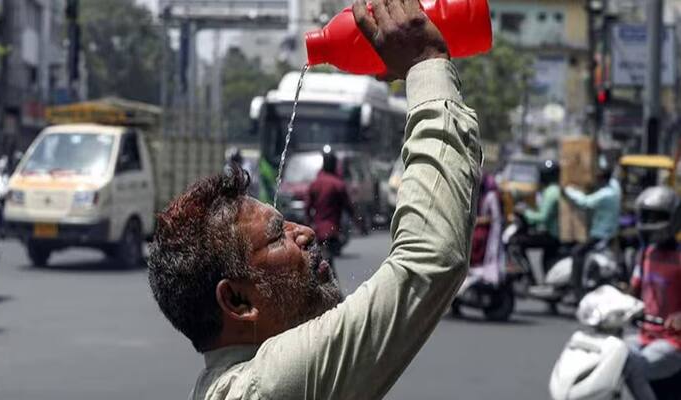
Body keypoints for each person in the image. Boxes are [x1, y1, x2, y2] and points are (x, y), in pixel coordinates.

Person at [146, 1, 482, 398]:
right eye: (277, 237)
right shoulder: (269, 385)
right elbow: (430, 258)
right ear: (236, 300)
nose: (303, 232)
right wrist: (426, 63)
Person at [623, 186, 681, 400]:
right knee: (610, 352)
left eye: (656, 217)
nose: (649, 222)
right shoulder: (646, 254)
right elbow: (633, 292)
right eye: (646, 216)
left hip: (674, 343)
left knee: (634, 366)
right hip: (645, 335)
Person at [563, 164, 621, 300]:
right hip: (609, 232)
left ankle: (577, 289)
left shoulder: (606, 194)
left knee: (577, 253)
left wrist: (569, 190)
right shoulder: (615, 187)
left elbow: (585, 202)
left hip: (601, 233)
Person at [305, 150, 355, 269]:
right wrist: (357, 221)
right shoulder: (338, 184)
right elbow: (348, 206)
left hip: (318, 230)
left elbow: (307, 207)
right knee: (328, 263)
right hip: (332, 230)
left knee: (320, 262)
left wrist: (309, 223)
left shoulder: (315, 184)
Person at [508, 160, 561, 272]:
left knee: (516, 241)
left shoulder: (551, 192)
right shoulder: (551, 190)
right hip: (550, 233)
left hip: (552, 235)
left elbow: (542, 217)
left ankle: (526, 271)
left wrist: (525, 212)